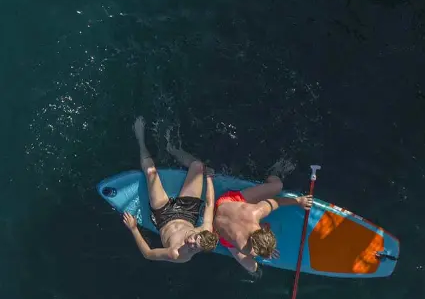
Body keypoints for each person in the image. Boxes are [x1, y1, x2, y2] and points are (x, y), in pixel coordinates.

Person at [164, 144, 313, 273]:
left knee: (277, 187)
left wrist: (298, 201)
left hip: (226, 203)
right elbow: (254, 252)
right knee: (253, 268)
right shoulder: (246, 248)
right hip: (216, 228)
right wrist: (267, 253)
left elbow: (276, 202)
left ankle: (273, 174)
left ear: (263, 230)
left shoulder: (256, 212)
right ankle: (270, 175)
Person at [119, 117, 218, 263]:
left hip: (163, 215)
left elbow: (148, 253)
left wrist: (134, 228)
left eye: (194, 248)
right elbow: (209, 204)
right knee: (198, 166)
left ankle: (140, 139)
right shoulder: (206, 229)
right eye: (194, 239)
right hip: (187, 212)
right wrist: (208, 178)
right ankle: (173, 150)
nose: (190, 243)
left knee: (151, 172)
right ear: (200, 234)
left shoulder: (177, 254)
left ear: (200, 250)